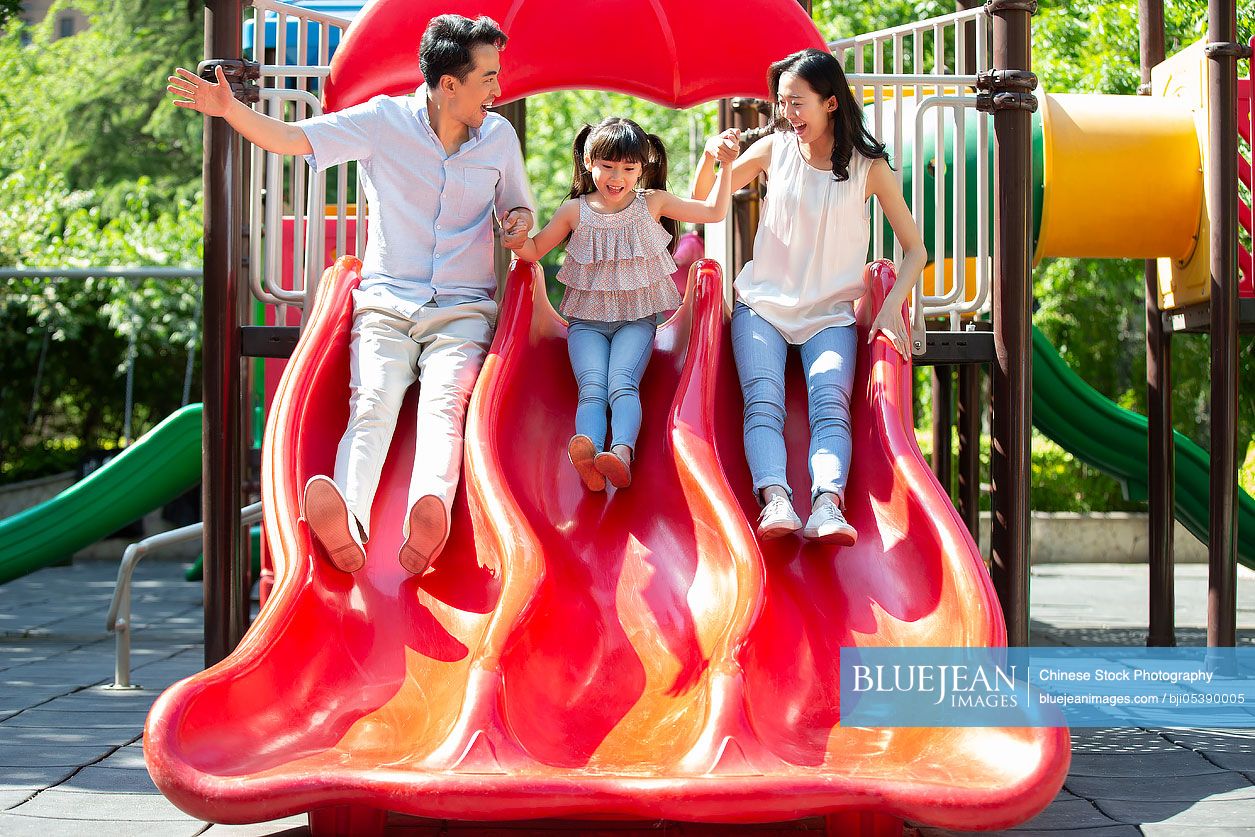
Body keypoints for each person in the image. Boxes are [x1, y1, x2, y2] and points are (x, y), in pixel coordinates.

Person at [167, 15, 535, 575]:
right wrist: (229, 110)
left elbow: (519, 204)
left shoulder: (499, 137)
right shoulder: (383, 122)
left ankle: (426, 516)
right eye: (487, 78)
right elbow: (294, 139)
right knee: (373, 402)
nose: (498, 90)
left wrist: (516, 223)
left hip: (463, 307)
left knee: (444, 405)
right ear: (449, 85)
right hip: (388, 301)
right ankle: (350, 523)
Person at [691, 48, 926, 545]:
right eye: (782, 103)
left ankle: (827, 505)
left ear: (831, 103)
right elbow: (705, 206)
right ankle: (775, 498)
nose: (787, 114)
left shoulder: (869, 168)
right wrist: (713, 159)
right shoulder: (775, 150)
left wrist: (888, 310)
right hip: (763, 307)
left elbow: (915, 251)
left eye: (798, 103)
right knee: (762, 402)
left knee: (831, 405)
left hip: (830, 315)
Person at [505, 117, 735, 491]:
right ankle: (591, 458)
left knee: (621, 383)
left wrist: (722, 164)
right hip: (587, 323)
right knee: (592, 386)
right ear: (588, 163)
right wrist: (516, 239)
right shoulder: (574, 211)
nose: (617, 177)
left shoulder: (652, 203)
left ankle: (621, 453)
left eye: (628, 168)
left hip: (636, 321)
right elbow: (533, 250)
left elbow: (713, 211)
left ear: (642, 168)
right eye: (607, 166)